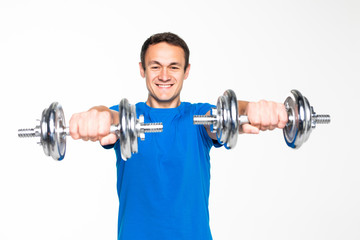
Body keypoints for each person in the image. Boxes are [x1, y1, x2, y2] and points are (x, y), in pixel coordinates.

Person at [69, 32, 288, 240]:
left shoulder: (198, 116)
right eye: (155, 66)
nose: (164, 76)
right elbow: (109, 116)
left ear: (186, 71)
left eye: (174, 67)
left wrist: (252, 109)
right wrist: (95, 116)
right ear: (142, 69)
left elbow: (224, 115)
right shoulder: (128, 118)